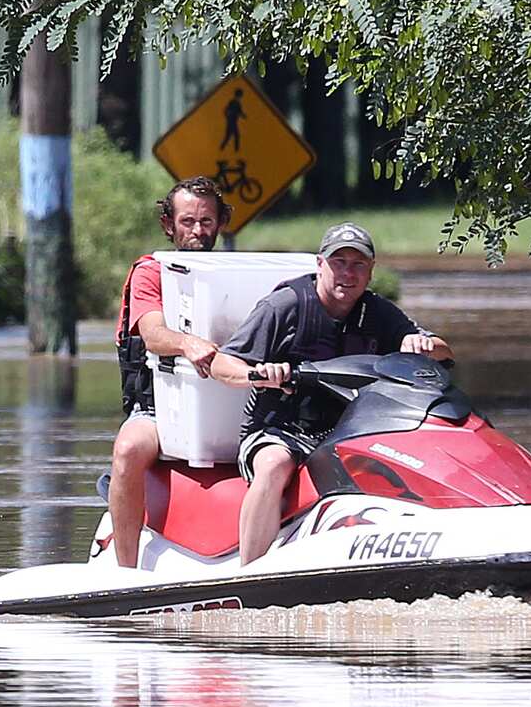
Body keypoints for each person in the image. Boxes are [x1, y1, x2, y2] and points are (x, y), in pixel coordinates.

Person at [210, 222, 454, 565]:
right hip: (280, 430)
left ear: (370, 272)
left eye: (358, 265)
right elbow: (222, 365)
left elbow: (444, 351)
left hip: (350, 430)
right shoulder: (285, 306)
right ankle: (250, 573)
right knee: (274, 465)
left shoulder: (378, 312)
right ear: (320, 264)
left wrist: (422, 345)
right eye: (339, 262)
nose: (348, 273)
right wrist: (259, 374)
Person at [110, 176, 232, 567]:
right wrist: (188, 343)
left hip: (235, 405)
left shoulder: (240, 272)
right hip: (161, 408)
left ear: (221, 223)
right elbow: (153, 333)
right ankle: (124, 572)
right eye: (188, 222)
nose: (198, 231)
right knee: (128, 449)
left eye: (207, 222)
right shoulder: (151, 273)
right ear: (169, 225)